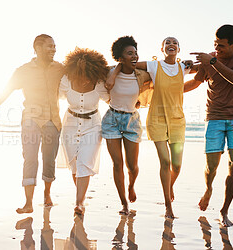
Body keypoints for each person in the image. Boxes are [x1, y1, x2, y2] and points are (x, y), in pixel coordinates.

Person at [107, 37, 194, 218]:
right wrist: (115, 72)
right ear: (162, 48)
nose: (171, 45)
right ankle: (168, 206)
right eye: (167, 43)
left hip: (177, 120)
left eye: (175, 43)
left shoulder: (183, 68)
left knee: (176, 166)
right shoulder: (153, 66)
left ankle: (169, 185)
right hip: (157, 120)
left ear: (179, 48)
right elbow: (128, 64)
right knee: (165, 162)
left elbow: (201, 73)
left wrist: (201, 65)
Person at [0, 34, 64, 214]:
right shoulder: (23, 71)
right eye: (50, 46)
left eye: (55, 46)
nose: (54, 49)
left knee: (49, 160)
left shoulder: (60, 68)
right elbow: (6, 90)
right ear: (38, 48)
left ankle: (47, 194)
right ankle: (28, 203)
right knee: (30, 159)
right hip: (31, 120)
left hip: (52, 121)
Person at [184, 24, 233, 226]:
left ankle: (224, 211)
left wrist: (213, 61)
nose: (217, 49)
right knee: (211, 166)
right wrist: (168, 91)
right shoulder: (211, 57)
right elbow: (196, 81)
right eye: (215, 44)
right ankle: (208, 188)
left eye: (222, 46)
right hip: (214, 117)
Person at [103, 36, 152, 215]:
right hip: (111, 120)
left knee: (132, 166)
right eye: (129, 53)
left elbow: (162, 72)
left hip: (132, 121)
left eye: (136, 53)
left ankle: (131, 185)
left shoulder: (142, 75)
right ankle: (124, 203)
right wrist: (115, 72)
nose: (135, 56)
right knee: (118, 164)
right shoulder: (108, 72)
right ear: (120, 58)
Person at [59, 47, 109, 215]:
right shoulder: (66, 80)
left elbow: (112, 100)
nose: (85, 80)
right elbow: (53, 96)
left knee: (84, 163)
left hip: (93, 126)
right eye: (81, 75)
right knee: (74, 165)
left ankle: (79, 203)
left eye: (89, 76)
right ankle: (81, 197)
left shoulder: (99, 83)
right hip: (70, 126)